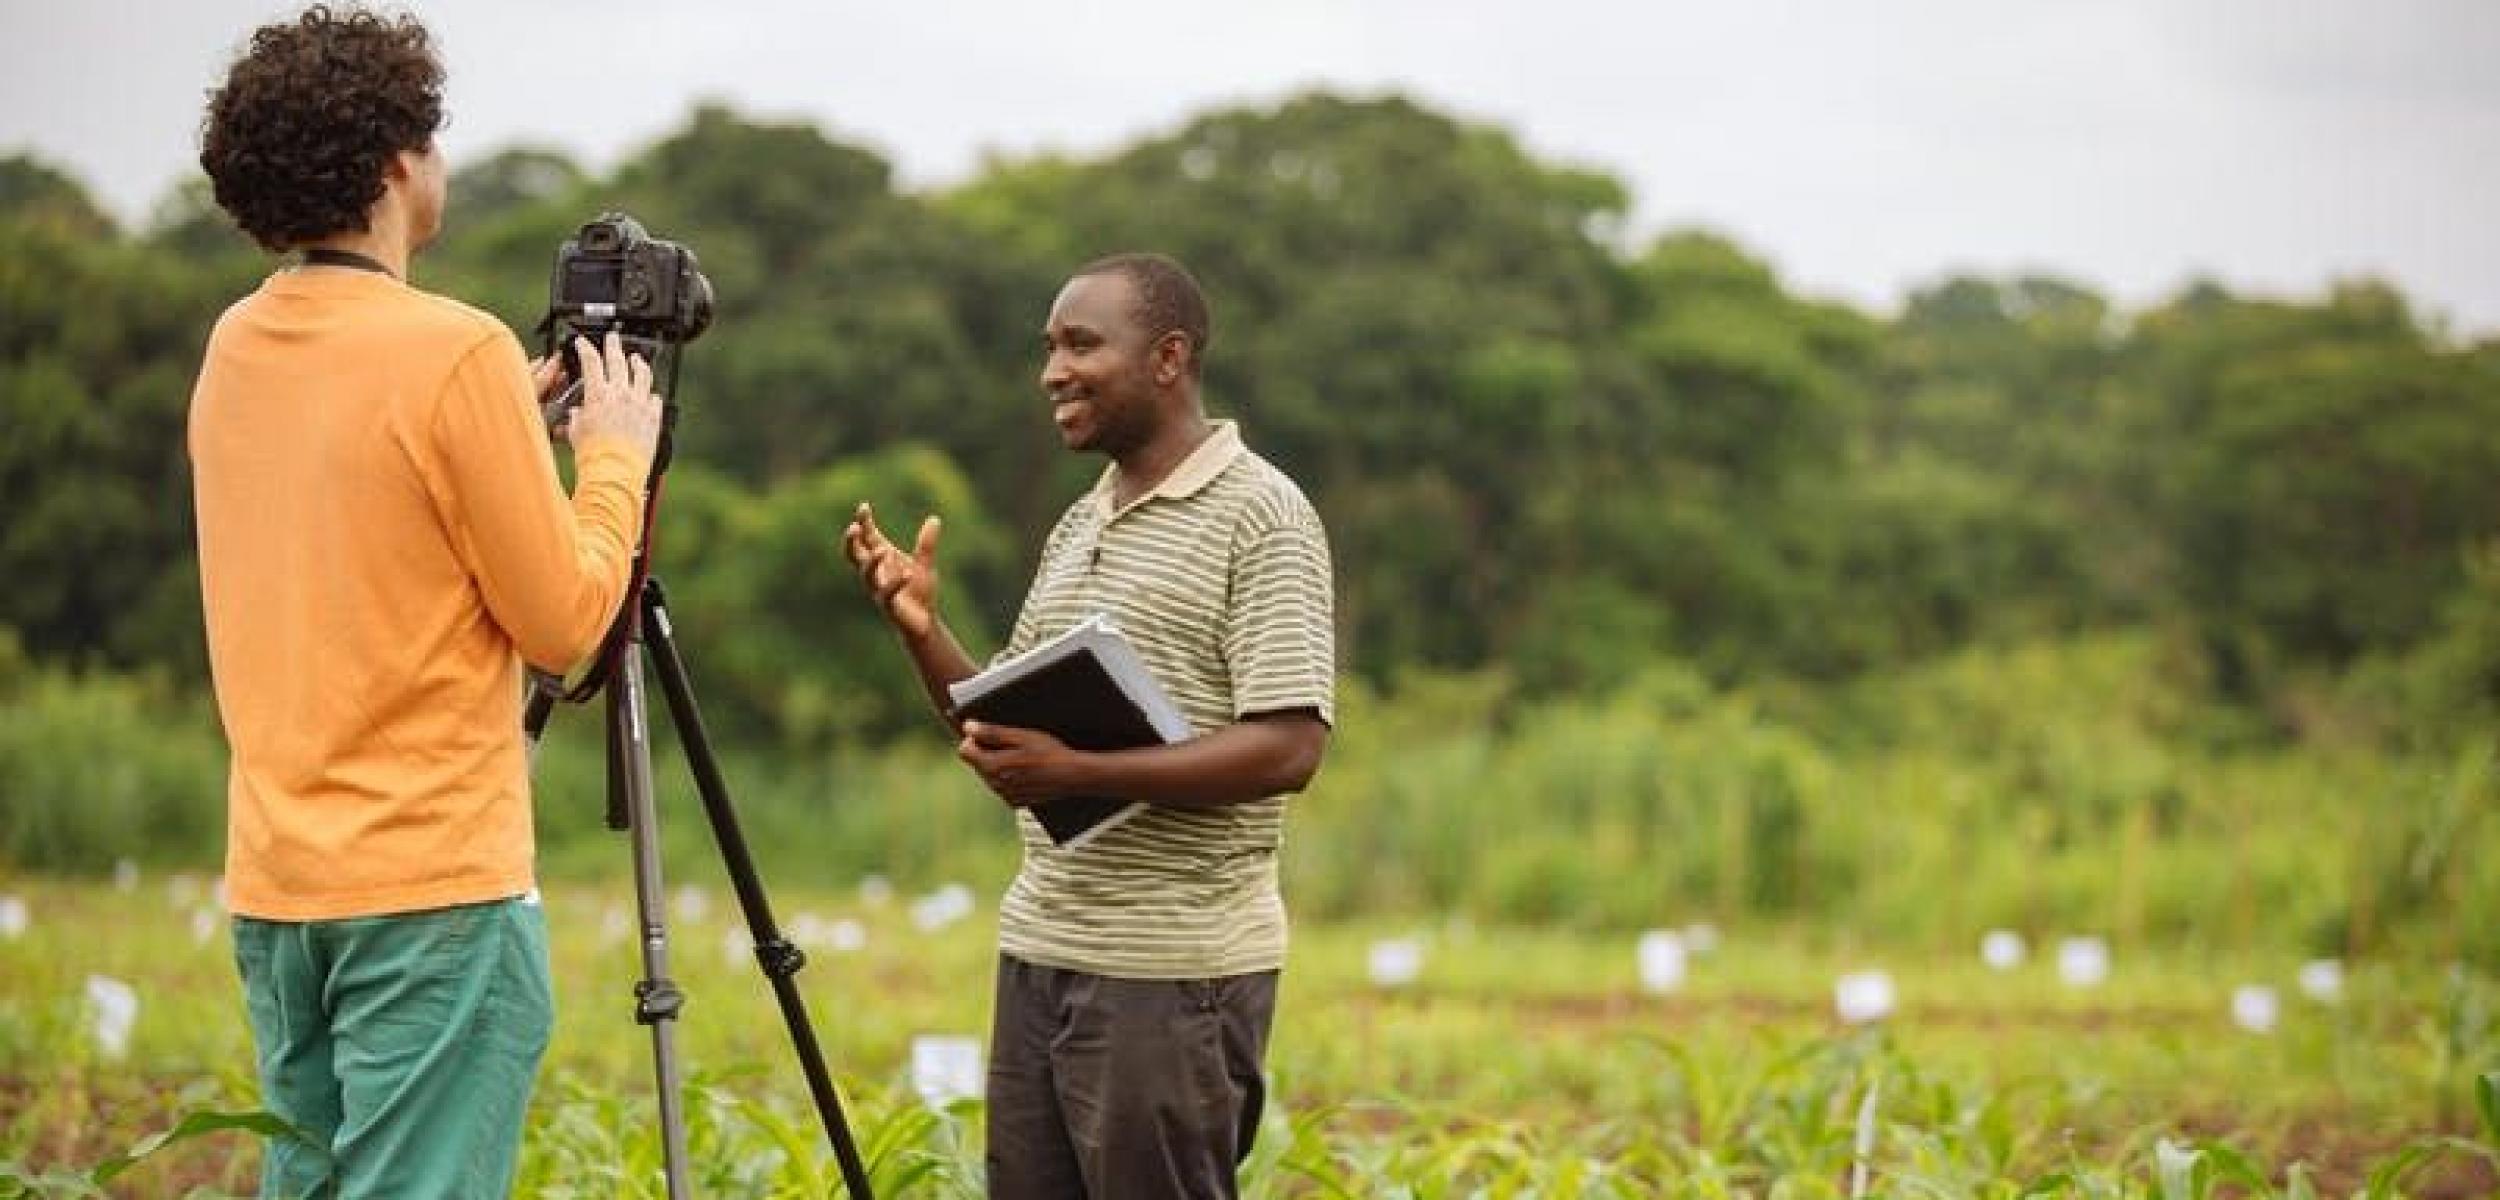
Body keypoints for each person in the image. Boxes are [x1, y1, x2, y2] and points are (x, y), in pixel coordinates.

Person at [188, 6, 663, 1195]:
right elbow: (565, 626)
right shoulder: (452, 355)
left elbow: (365, 497)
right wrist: (609, 458)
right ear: (399, 164)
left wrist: (505, 410)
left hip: (280, 888)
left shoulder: (235, 347)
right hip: (430, 896)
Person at [843, 252, 1336, 1198]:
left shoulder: (1263, 516)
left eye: (1080, 344)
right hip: (1041, 950)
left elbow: (1290, 746)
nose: (1052, 371)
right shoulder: (1082, 523)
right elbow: (1005, 727)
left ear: (1168, 357)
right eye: (1048, 347)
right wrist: (921, 626)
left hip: (1172, 974)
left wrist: (1081, 773)